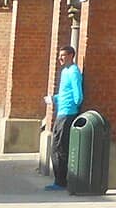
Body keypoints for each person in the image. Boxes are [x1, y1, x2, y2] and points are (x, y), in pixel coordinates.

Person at [43, 45, 84, 191]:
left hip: (67, 113)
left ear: (71, 55)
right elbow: (66, 93)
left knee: (59, 147)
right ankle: (59, 180)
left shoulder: (73, 72)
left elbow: (78, 95)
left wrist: (74, 107)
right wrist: (54, 98)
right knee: (56, 146)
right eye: (59, 55)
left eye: (63, 55)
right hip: (62, 112)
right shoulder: (65, 71)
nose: (60, 58)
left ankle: (60, 182)